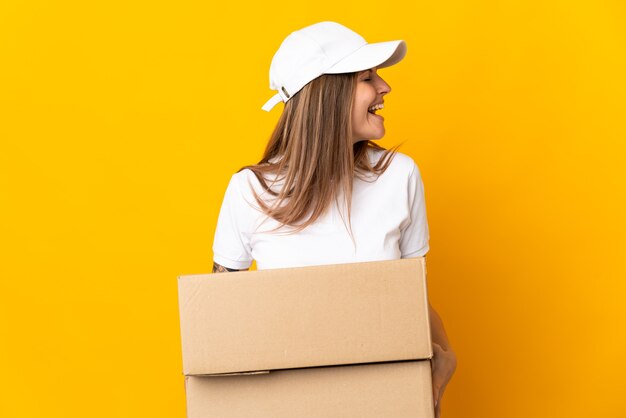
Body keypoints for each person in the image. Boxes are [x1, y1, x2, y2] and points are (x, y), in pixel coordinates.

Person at [211, 21, 456, 417]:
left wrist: (444, 357)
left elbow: (411, 297)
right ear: (329, 95)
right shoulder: (251, 191)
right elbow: (221, 321)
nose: (384, 88)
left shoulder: (399, 176)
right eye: (367, 78)